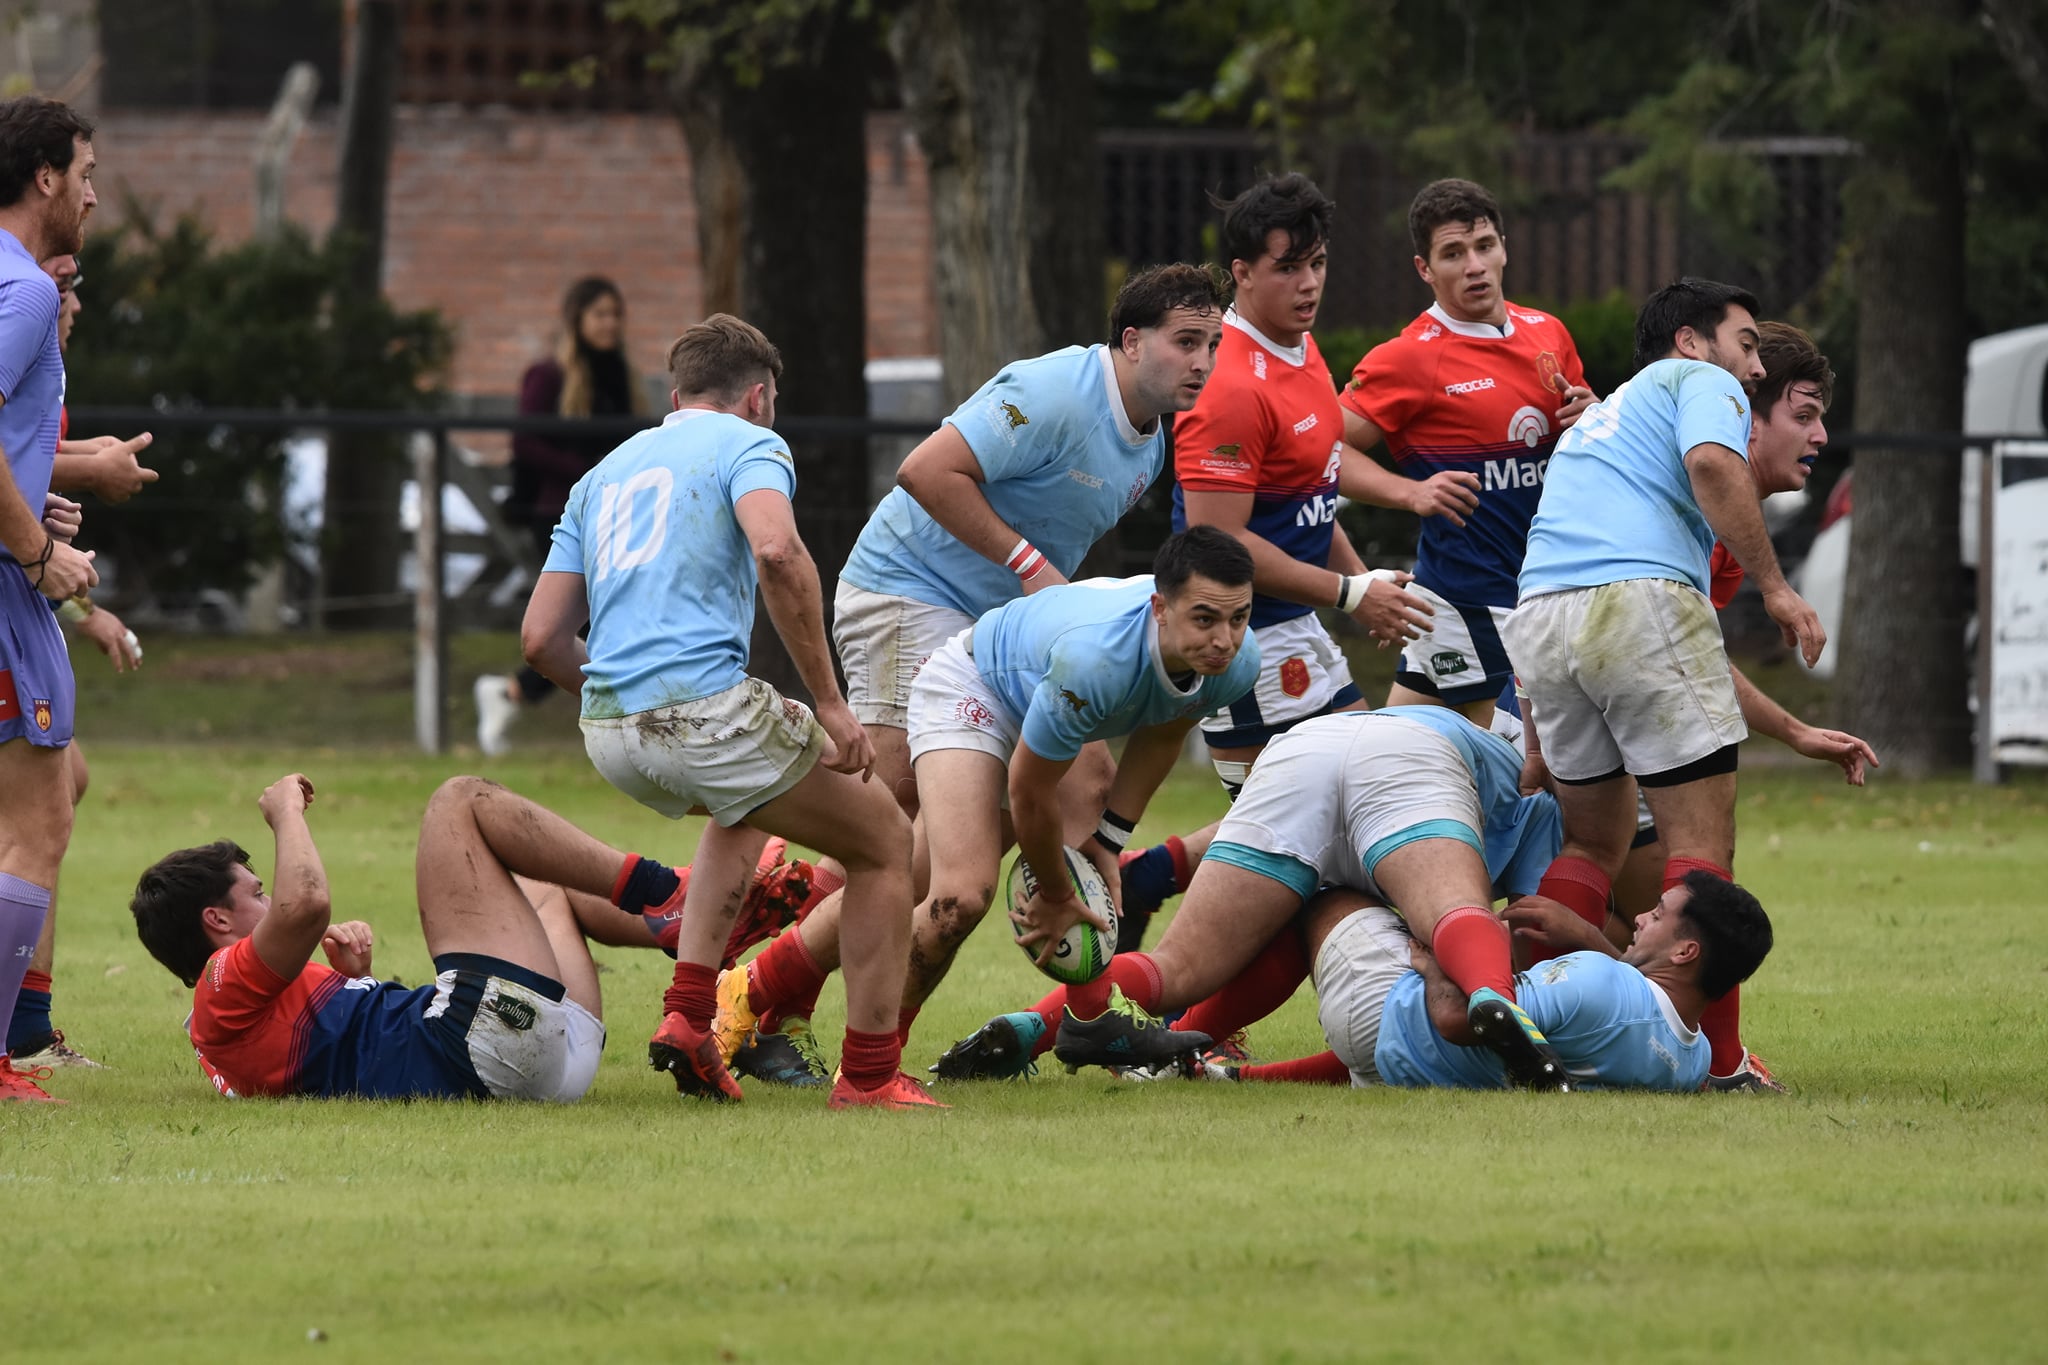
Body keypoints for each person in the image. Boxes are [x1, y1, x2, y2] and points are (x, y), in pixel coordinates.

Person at [716, 263, 1229, 1078]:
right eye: (1186, 341)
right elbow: (923, 470)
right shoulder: (1058, 390)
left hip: (999, 634)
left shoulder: (1150, 443)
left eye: (1213, 343)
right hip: (907, 593)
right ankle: (763, 997)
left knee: (1076, 783)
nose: (1202, 360)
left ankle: (1088, 1016)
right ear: (1132, 342)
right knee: (878, 816)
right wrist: (1028, 563)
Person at [521, 313, 936, 1111]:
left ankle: (687, 1017)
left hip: (607, 731)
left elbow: (541, 639)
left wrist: (625, 697)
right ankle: (871, 1076)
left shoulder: (601, 473)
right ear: (758, 398)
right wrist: (828, 701)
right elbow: (778, 552)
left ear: (675, 396)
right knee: (888, 841)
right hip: (700, 713)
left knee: (742, 806)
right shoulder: (751, 443)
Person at [715, 527, 1263, 1076]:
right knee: (960, 895)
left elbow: (1165, 734)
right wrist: (1053, 890)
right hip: (974, 684)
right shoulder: (1095, 662)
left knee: (917, 871)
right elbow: (1031, 788)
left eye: (1238, 619)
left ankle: (752, 988)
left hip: (1038, 691)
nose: (1224, 639)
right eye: (1205, 619)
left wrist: (1109, 839)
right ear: (1160, 609)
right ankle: (871, 1069)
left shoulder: (1238, 662)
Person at [1502, 278, 1826, 1092]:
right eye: (1746, 344)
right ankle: (1719, 1063)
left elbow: (1552, 558)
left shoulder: (1604, 421)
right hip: (1634, 602)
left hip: (1542, 619)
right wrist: (1778, 588)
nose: (1753, 368)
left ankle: (1524, 1023)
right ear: (1691, 340)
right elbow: (1716, 463)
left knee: (1592, 843)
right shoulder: (1700, 382)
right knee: (1702, 851)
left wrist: (1537, 735)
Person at [937, 704, 1576, 1088]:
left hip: (1302, 748)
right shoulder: (1535, 795)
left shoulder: (1412, 719)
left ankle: (1033, 1025)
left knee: (1176, 968)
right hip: (1411, 765)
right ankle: (1494, 999)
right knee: (1452, 920)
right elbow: (1532, 929)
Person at [1599, 320, 1875, 1090]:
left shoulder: (1705, 510)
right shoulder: (1700, 491)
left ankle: (1554, 1034)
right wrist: (1781, 592)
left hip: (1577, 677)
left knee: (1636, 912)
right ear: (1745, 413)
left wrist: (1792, 730)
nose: (1821, 434)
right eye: (1805, 412)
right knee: (1698, 882)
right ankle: (1714, 1065)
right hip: (1559, 682)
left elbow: (1697, 653)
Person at [130, 773, 702, 1101]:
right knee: (458, 801)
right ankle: (662, 888)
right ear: (217, 921)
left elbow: (326, 1056)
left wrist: (354, 982)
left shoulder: (233, 1014)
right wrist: (285, 815)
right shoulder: (220, 986)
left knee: (542, 886)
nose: (268, 899)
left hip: (547, 1063)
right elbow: (305, 904)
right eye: (254, 893)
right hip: (485, 1050)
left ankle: (699, 922)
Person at [1171, 172, 1432, 795]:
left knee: (1337, 813)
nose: (1309, 282)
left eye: (1317, 262)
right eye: (1288, 267)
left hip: (1295, 625)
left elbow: (1309, 500)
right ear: (1243, 272)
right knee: (1316, 827)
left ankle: (1156, 868)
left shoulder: (1299, 346)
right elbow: (1218, 543)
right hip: (1237, 635)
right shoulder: (1229, 383)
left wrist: (1365, 584)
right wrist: (1348, 593)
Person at [1338, 178, 1596, 723]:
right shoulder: (1407, 358)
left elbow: (1583, 456)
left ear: (1504, 247)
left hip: (1549, 594)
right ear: (1424, 269)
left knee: (1393, 773)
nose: (1474, 265)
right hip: (1473, 603)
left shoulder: (1548, 333)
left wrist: (1592, 416)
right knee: (1532, 774)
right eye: (1452, 254)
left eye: (1483, 246)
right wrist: (1410, 492)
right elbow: (1318, 450)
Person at [1155, 871, 1771, 1093]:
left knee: (1318, 892)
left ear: (1687, 950)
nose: (1640, 915)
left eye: (1658, 915)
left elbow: (1460, 1018)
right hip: (1407, 1070)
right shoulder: (1689, 1063)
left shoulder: (1599, 984)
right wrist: (1586, 937)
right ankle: (1227, 1076)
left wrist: (1432, 963)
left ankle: (1176, 1037)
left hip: (1388, 1012)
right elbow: (1627, 1010)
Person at [9, 253, 148, 1072]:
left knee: (62, 787)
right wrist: (87, 467)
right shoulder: (20, 332)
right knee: (39, 810)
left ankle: (27, 1024)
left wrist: (84, 610)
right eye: (65, 291)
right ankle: (21, 1034)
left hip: (22, 602)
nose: (73, 307)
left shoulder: (40, 384)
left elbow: (20, 496)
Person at [0, 96, 99, 1103]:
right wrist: (35, 555)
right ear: (45, 179)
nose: (94, 194)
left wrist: (41, 497)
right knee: (39, 821)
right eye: (86, 171)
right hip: (4, 591)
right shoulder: (24, 290)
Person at [476, 276, 648, 757]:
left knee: (591, 619)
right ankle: (618, 717)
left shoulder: (621, 376)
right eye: (600, 314)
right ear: (577, 319)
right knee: (590, 617)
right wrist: (588, 476)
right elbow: (526, 442)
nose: (610, 324)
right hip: (561, 513)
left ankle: (513, 692)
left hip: (615, 514)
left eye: (616, 314)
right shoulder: (549, 375)